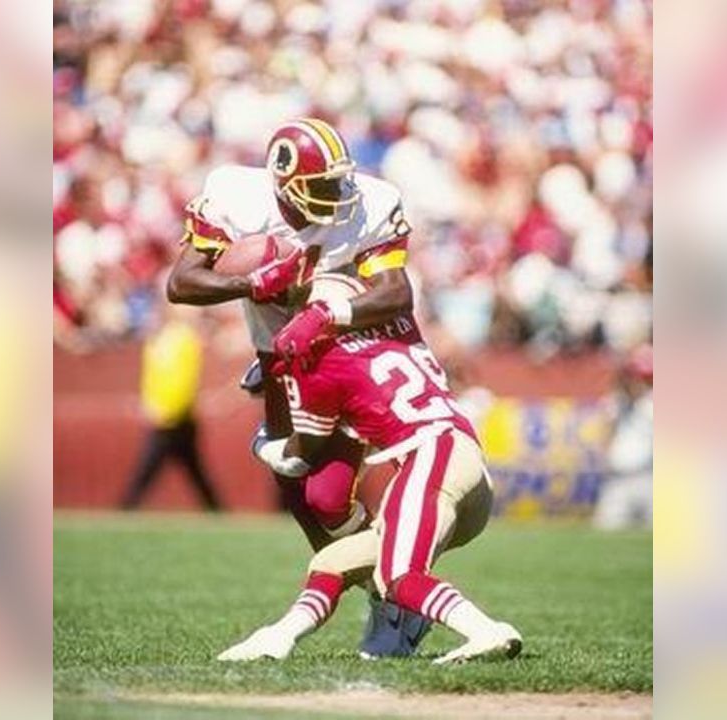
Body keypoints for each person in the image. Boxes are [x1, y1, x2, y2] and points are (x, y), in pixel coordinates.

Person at [165, 118, 430, 657]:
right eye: (323, 186)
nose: (338, 196)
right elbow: (181, 282)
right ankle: (390, 589)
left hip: (347, 350)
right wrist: (252, 282)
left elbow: (396, 293)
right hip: (281, 353)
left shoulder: (371, 203)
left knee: (326, 495)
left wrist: (325, 313)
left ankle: (396, 593)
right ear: (283, 182)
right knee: (305, 494)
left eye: (339, 182)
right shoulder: (236, 194)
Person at [218, 277, 521, 664]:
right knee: (329, 563)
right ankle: (278, 636)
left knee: (399, 577)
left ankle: (486, 631)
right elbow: (386, 299)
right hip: (464, 464)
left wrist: (263, 442)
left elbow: (298, 458)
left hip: (432, 455)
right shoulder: (399, 325)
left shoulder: (324, 362)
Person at [119, 302, 220, 511]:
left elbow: (180, 381)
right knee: (192, 471)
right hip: (172, 415)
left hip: (170, 417)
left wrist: (161, 408)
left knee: (150, 469)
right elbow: (162, 378)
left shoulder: (176, 338)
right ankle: (216, 511)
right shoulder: (174, 339)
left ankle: (126, 508)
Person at [594, 343, 653, 530]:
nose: (632, 383)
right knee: (606, 535)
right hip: (617, 480)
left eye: (637, 379)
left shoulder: (651, 405)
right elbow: (605, 433)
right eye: (630, 378)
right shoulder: (616, 403)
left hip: (650, 479)